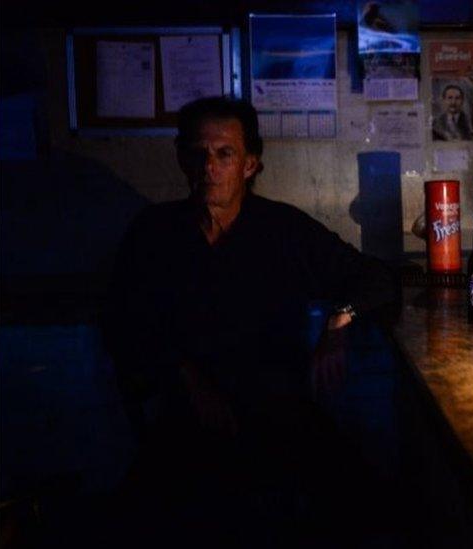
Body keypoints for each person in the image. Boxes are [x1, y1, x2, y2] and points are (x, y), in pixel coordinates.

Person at [102, 96, 397, 546]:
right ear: (182, 158)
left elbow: (376, 278)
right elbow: (123, 322)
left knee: (365, 510)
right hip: (187, 423)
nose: (209, 167)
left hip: (279, 415)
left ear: (250, 165)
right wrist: (186, 377)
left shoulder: (283, 230)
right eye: (198, 153)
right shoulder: (154, 233)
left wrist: (340, 320)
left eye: (224, 154)